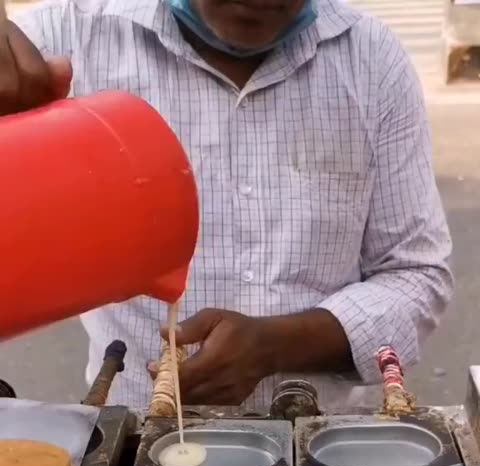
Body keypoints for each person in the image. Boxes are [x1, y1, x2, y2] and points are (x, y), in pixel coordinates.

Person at [1, 0, 452, 412]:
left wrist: (276, 346)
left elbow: (414, 274)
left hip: (324, 440)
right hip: (135, 435)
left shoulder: (370, 60)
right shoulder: (62, 42)